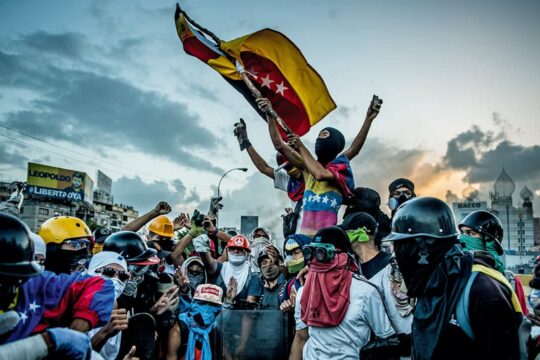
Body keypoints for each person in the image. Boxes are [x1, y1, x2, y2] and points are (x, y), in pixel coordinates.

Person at [386, 197, 523, 360]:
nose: (398, 255)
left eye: (402, 246)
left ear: (423, 247)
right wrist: (395, 346)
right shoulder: (432, 285)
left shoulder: (482, 290)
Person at [262, 95, 381, 236]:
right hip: (302, 242)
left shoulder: (339, 168)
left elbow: (353, 150)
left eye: (324, 135)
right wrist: (269, 114)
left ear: (336, 142)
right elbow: (279, 144)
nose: (319, 138)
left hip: (328, 241)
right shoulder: (306, 168)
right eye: (318, 136)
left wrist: (368, 119)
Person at [0, 213, 115, 345]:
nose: (83, 251)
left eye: (86, 245)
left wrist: (73, 334)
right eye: (75, 244)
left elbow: (100, 285)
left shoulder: (38, 283)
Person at [292, 226, 394, 360]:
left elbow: (386, 339)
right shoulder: (304, 293)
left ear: (343, 257)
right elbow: (301, 338)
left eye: (323, 255)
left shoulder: (366, 292)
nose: (318, 262)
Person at [340, 212, 413, 357]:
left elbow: (405, 314)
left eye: (344, 232)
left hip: (403, 351)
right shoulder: (350, 270)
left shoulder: (394, 267)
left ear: (362, 233)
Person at [234, 119, 305, 236]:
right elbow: (264, 168)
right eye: (287, 168)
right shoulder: (289, 181)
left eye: (292, 166)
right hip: (297, 239)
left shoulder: (314, 174)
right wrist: (246, 142)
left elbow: (279, 144)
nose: (291, 171)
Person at [458, 210, 528, 315]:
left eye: (471, 233)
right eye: (462, 233)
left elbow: (521, 320)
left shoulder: (510, 280)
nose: (462, 238)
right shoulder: (452, 273)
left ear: (489, 240)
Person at [194, 234, 262, 309]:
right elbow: (208, 262)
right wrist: (202, 249)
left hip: (239, 319)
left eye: (240, 249)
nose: (236, 251)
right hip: (214, 318)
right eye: (232, 248)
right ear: (227, 250)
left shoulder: (253, 277)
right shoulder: (219, 268)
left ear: (247, 253)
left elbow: (248, 312)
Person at [87, 251, 130, 359]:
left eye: (123, 275)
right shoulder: (75, 305)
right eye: (109, 272)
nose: (115, 280)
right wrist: (104, 333)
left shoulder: (121, 310)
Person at [167, 284, 224, 360]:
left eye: (213, 304)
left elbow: (226, 354)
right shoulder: (177, 332)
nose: (207, 309)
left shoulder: (214, 330)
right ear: (193, 303)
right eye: (202, 303)